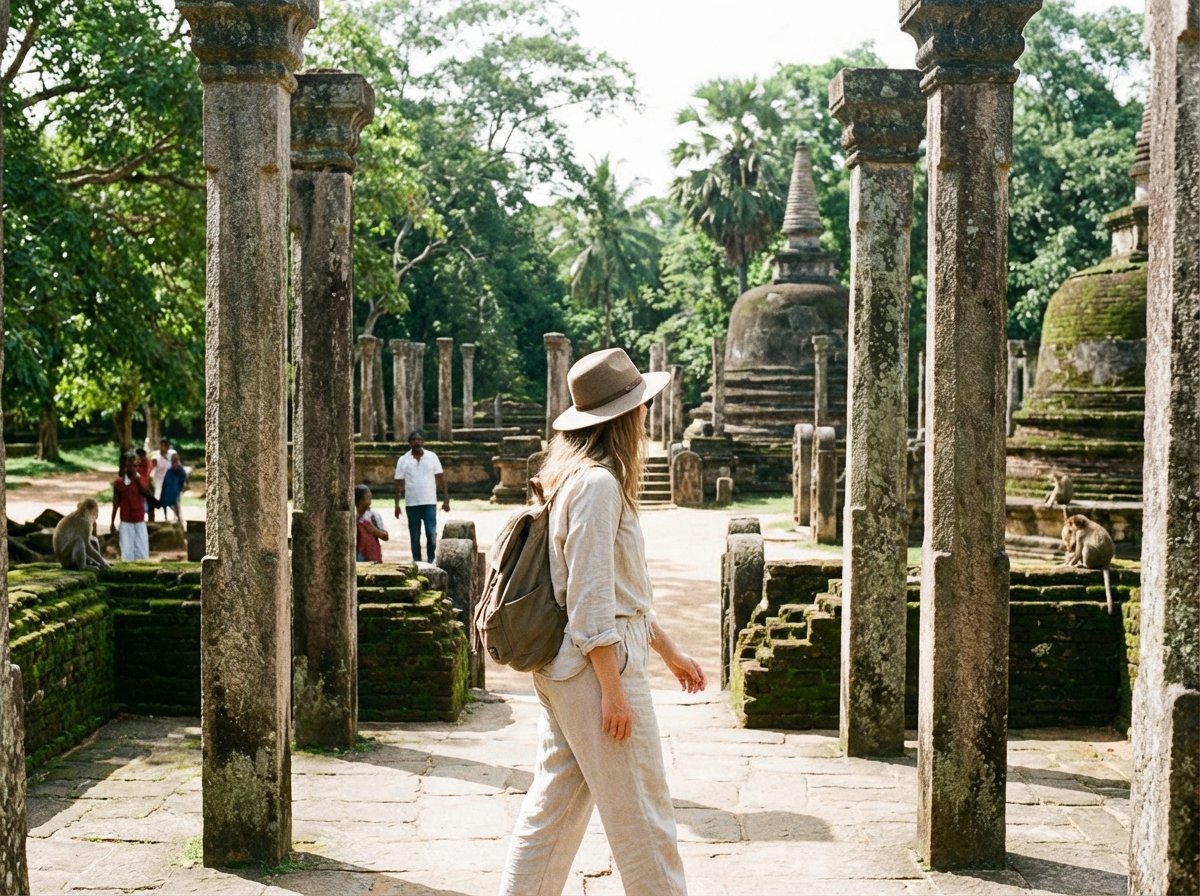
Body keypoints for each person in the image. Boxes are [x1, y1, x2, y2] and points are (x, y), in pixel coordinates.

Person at [499, 347, 706, 896]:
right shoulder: (596, 486)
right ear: (623, 418)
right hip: (596, 673)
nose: (644, 417)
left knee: (553, 814)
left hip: (568, 670)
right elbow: (590, 602)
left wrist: (668, 650)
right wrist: (613, 692)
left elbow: (619, 593)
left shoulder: (572, 479)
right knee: (644, 818)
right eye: (638, 407)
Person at [393, 431, 449, 563]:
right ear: (410, 443)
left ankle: (431, 559)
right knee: (414, 535)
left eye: (419, 440)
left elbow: (441, 477)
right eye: (414, 440)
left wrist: (446, 499)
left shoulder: (432, 457)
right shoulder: (403, 460)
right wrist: (396, 504)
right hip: (412, 503)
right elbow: (398, 483)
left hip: (429, 501)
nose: (417, 442)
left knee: (431, 533)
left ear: (423, 442)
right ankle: (417, 561)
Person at [110, 452, 153, 561]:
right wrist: (112, 522)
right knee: (127, 552)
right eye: (131, 465)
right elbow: (115, 503)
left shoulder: (140, 479)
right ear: (125, 466)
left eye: (135, 466)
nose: (134, 468)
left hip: (139, 521)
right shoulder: (119, 483)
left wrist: (137, 480)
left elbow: (146, 493)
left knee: (142, 553)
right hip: (126, 522)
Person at [355, 483, 388, 563]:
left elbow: (385, 536)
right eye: (367, 495)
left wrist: (374, 530)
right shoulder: (353, 517)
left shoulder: (373, 516)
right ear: (360, 500)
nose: (370, 496)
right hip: (358, 554)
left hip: (372, 555)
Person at [150, 438, 178, 522]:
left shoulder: (172, 454)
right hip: (160, 481)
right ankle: (165, 517)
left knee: (172, 499)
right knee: (162, 500)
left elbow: (176, 465)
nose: (162, 447)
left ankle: (176, 515)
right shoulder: (156, 456)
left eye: (164, 446)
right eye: (161, 445)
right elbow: (152, 467)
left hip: (170, 481)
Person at [157, 453, 188, 528]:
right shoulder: (169, 471)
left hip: (176, 491)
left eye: (176, 460)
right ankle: (167, 518)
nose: (174, 462)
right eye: (173, 460)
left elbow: (183, 480)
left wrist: (181, 488)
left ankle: (179, 520)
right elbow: (165, 482)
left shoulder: (181, 470)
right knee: (168, 504)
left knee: (176, 504)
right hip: (168, 492)